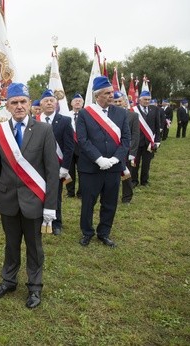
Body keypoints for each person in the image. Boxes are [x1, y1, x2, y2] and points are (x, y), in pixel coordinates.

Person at [0, 82, 59, 308]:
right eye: (14, 102)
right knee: (11, 244)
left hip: (34, 200)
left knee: (34, 246)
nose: (19, 106)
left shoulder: (44, 130)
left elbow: (52, 170)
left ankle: (35, 287)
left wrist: (50, 206)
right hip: (8, 199)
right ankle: (9, 281)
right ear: (7, 106)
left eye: (23, 102)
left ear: (30, 104)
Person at [76, 76, 130, 248]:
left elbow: (126, 140)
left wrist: (114, 159)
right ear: (97, 95)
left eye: (112, 92)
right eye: (107, 93)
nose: (111, 96)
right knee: (88, 203)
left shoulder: (121, 113)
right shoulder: (85, 113)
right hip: (91, 167)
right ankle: (87, 232)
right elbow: (82, 140)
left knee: (109, 202)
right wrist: (98, 159)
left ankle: (104, 233)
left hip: (113, 168)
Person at [38, 89, 74, 235]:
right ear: (41, 104)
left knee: (56, 194)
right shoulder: (34, 120)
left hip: (58, 166)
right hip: (39, 166)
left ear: (56, 103)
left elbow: (69, 146)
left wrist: (65, 167)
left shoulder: (65, 121)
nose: (49, 103)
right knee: (39, 192)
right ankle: (41, 220)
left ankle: (56, 223)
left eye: (51, 100)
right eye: (46, 101)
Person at [113, 91, 139, 204]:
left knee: (126, 175)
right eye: (116, 101)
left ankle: (127, 198)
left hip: (127, 151)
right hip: (112, 151)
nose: (118, 103)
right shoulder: (108, 115)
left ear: (125, 102)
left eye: (120, 101)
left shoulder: (133, 116)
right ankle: (111, 197)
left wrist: (132, 152)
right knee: (112, 176)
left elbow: (135, 135)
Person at [131, 90, 161, 187]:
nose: (147, 101)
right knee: (135, 163)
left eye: (149, 99)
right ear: (140, 100)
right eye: (145, 99)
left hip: (149, 143)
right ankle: (134, 181)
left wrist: (157, 141)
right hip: (137, 142)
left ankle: (144, 181)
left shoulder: (155, 109)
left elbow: (157, 126)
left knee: (146, 163)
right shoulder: (133, 110)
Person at [66, 93, 84, 198]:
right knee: (69, 170)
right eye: (75, 100)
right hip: (69, 147)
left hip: (82, 148)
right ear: (71, 103)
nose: (77, 102)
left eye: (79, 101)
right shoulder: (66, 115)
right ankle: (70, 192)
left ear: (82, 104)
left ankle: (81, 192)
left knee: (82, 171)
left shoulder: (87, 115)